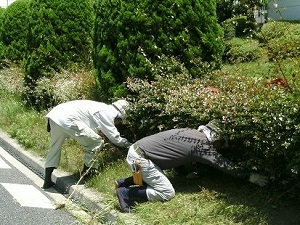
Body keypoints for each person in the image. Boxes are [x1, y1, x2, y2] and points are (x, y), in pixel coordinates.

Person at [115, 121, 268, 213]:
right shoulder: (201, 146)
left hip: (137, 151)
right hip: (142, 159)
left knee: (156, 176)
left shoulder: (190, 132)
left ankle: (123, 182)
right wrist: (250, 176)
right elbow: (223, 164)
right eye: (221, 143)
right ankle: (126, 192)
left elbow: (173, 154)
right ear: (215, 137)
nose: (220, 147)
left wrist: (182, 174)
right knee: (167, 192)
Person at [42, 99, 132, 189]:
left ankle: (47, 181)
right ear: (119, 116)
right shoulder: (107, 114)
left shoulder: (101, 107)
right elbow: (115, 138)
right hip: (67, 119)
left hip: (55, 115)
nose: (118, 123)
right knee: (96, 142)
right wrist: (131, 146)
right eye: (120, 121)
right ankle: (86, 176)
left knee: (55, 147)